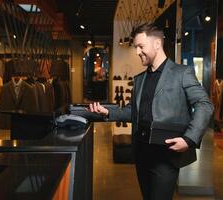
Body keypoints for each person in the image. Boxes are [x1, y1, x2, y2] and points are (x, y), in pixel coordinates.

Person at [88, 22, 214, 200]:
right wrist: (107, 111)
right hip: (141, 155)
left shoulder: (182, 73)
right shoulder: (139, 79)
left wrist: (189, 139)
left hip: (166, 156)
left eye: (140, 46)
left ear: (157, 44)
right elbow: (133, 112)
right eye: (136, 47)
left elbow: (204, 104)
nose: (137, 51)